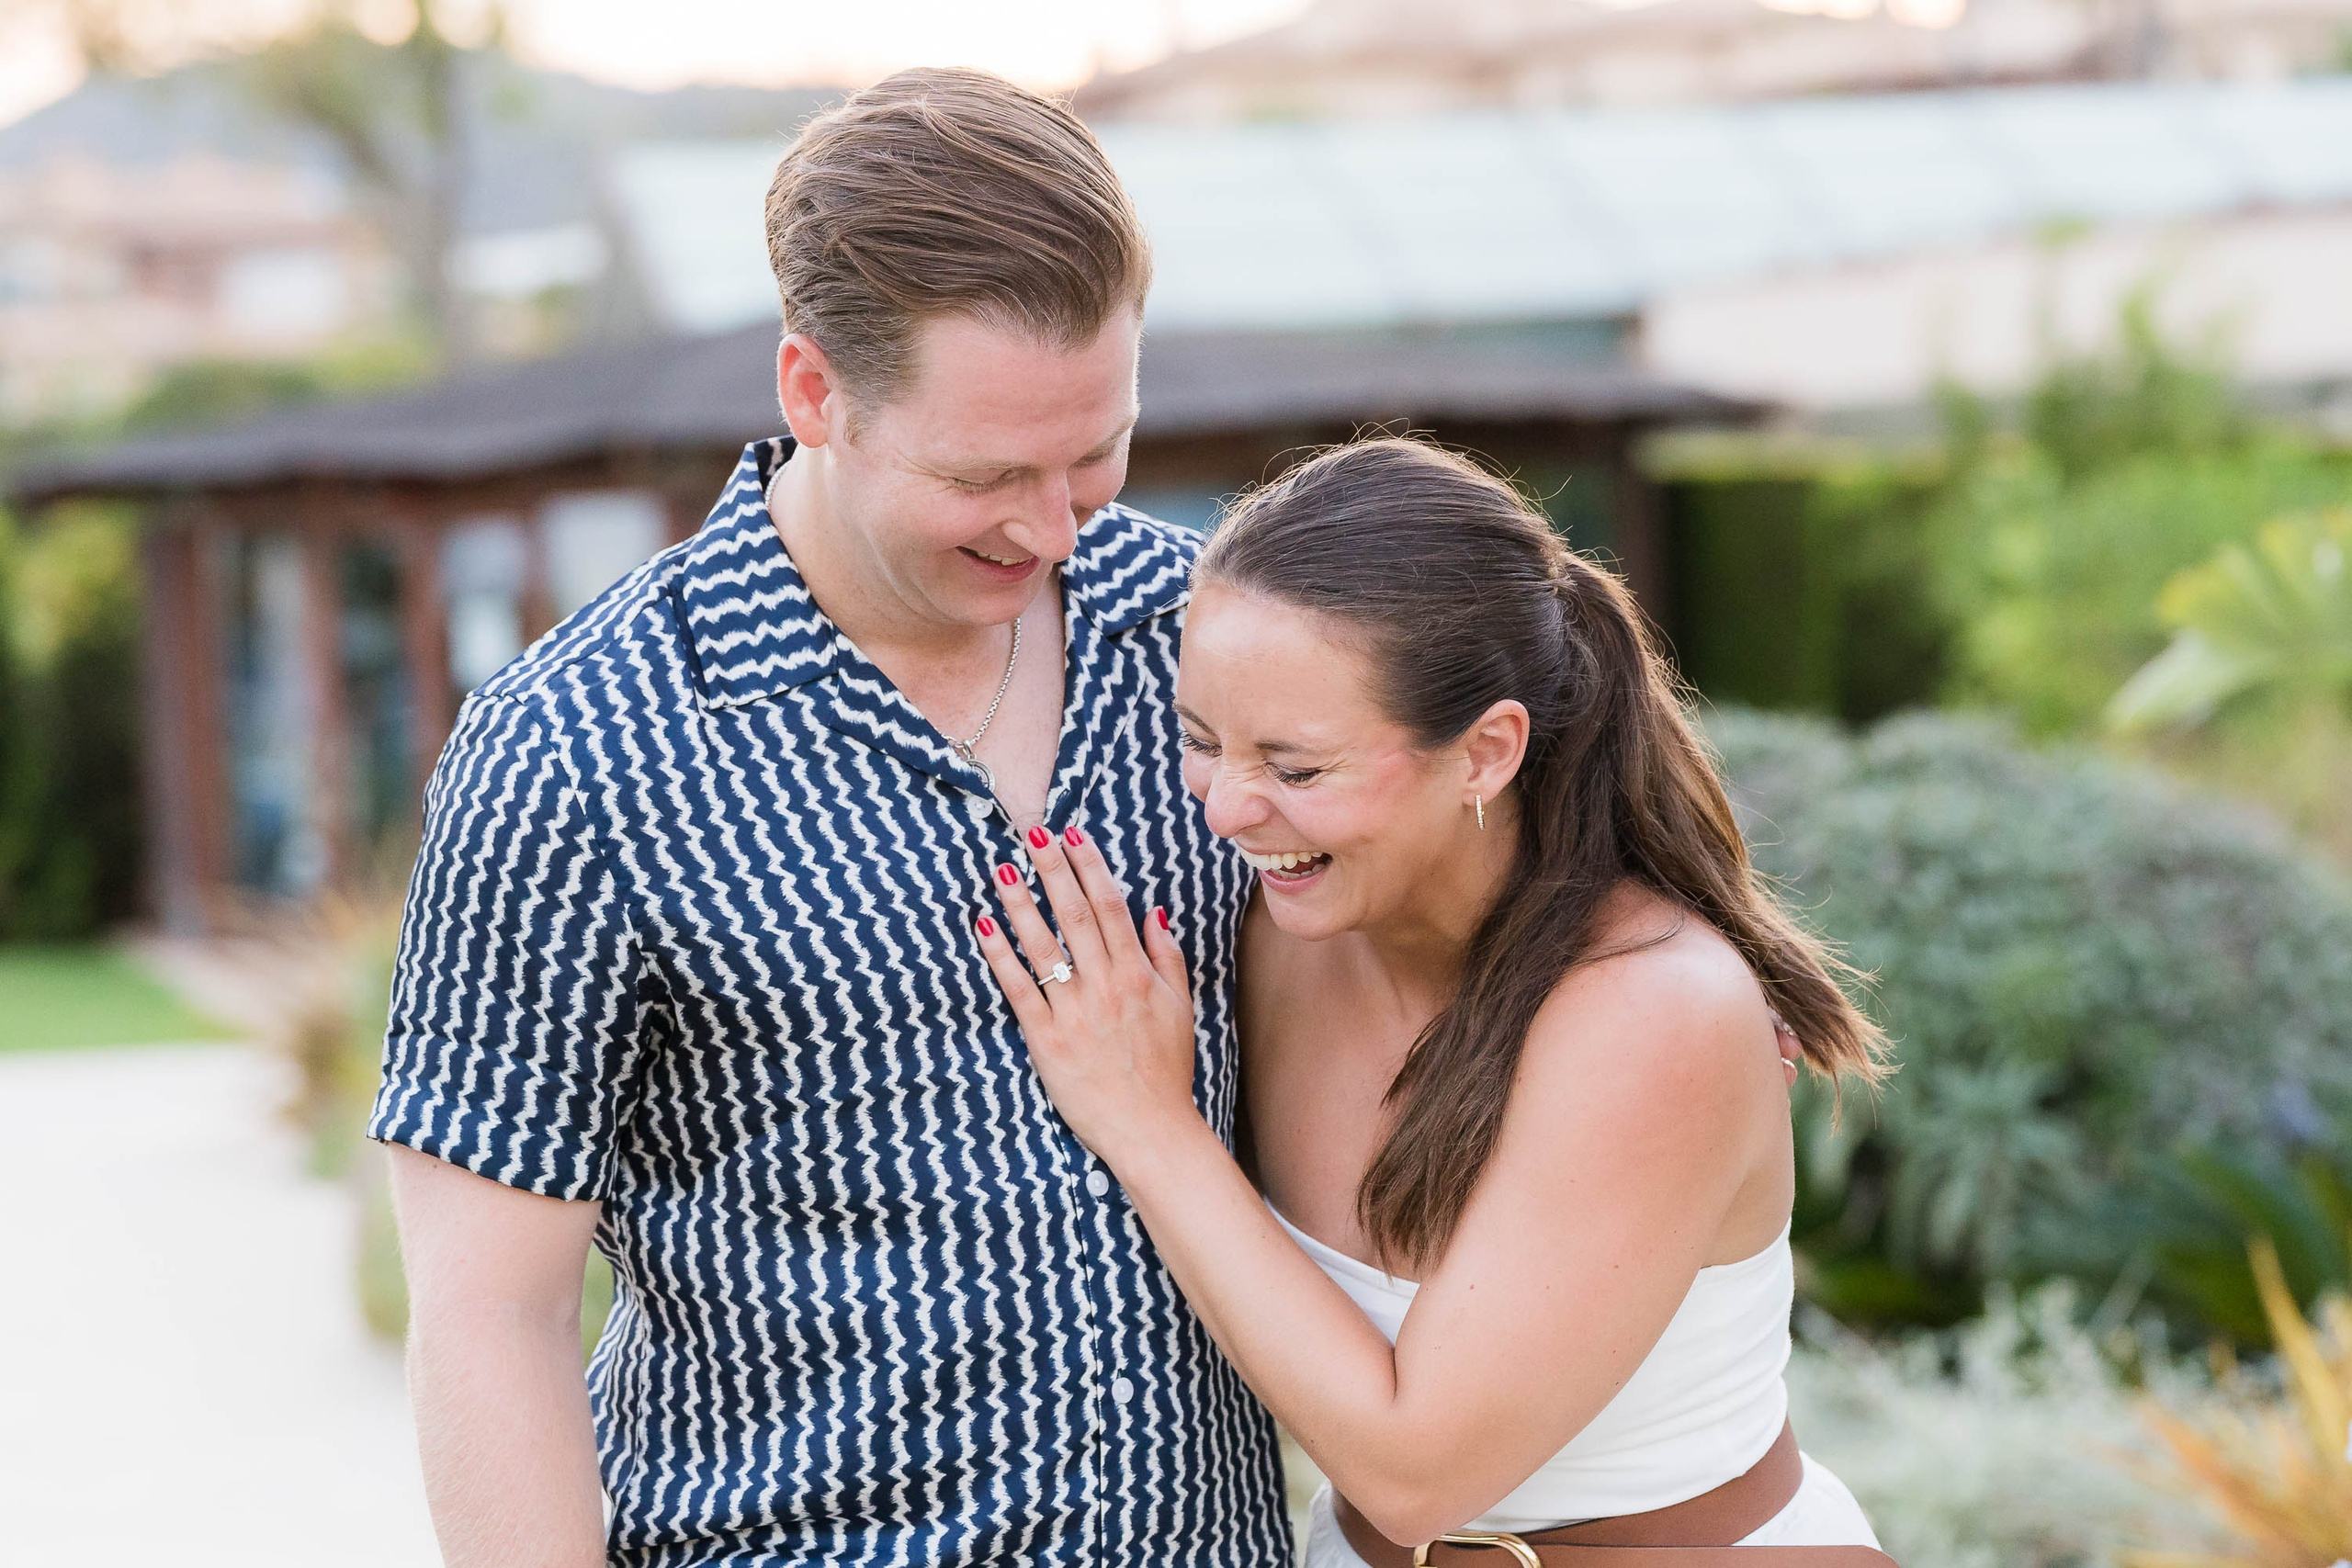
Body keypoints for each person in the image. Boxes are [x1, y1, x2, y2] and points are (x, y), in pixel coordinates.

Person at [368, 69, 1288, 1566]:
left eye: (1099, 452)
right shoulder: (573, 750)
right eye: (986, 472)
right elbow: (491, 1311)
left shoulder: (1214, 639)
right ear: (815, 393)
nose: (1056, 527)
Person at [974, 437, 1898, 1564]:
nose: (1224, 809)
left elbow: (1416, 1475)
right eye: (1201, 739)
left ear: (1485, 752)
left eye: (1297, 768)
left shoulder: (1650, 1013)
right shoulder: (1275, 930)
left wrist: (1146, 1123)